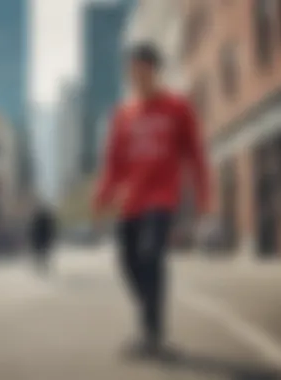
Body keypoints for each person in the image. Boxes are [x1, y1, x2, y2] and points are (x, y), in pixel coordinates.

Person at [93, 42, 210, 357]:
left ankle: (152, 332)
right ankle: (149, 313)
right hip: (131, 202)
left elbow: (195, 155)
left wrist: (203, 198)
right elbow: (114, 163)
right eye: (133, 71)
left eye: (144, 70)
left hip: (162, 198)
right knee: (127, 262)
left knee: (150, 256)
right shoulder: (123, 115)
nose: (138, 77)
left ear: (156, 72)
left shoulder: (177, 108)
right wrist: (102, 196)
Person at [29, 203, 57, 274]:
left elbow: (33, 231)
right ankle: (43, 265)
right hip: (42, 239)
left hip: (40, 239)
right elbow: (50, 230)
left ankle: (41, 265)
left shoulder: (37, 220)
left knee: (41, 254)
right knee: (43, 254)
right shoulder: (45, 220)